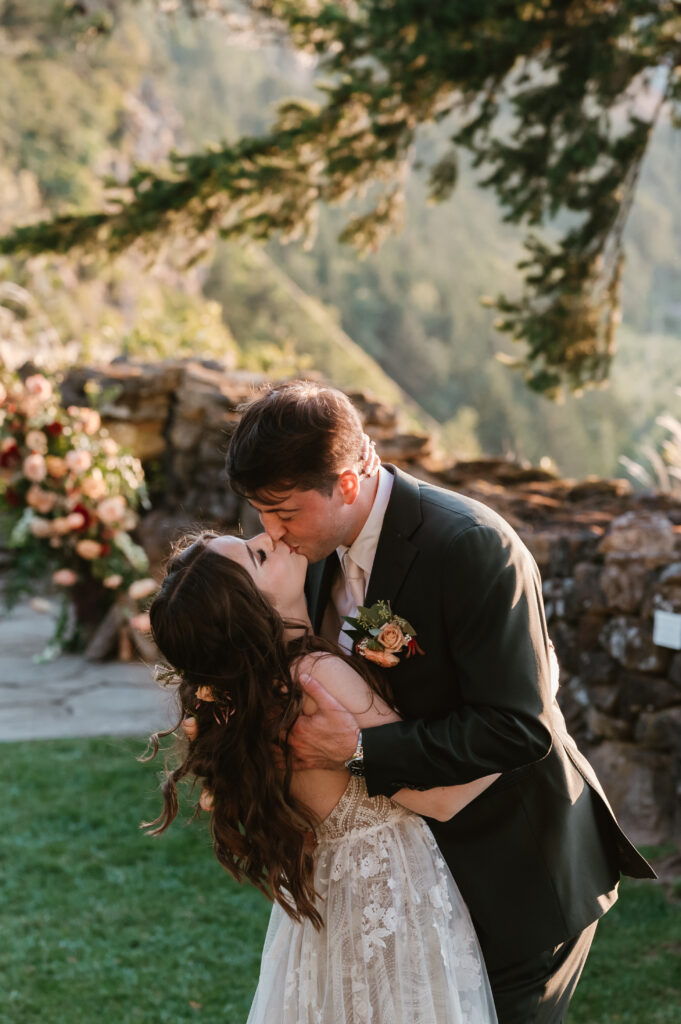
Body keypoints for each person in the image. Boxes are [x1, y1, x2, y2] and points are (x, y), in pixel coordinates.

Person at [224, 380, 656, 1024]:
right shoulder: (312, 551)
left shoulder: (473, 547)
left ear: (346, 483)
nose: (273, 532)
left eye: (285, 513)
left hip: (518, 872)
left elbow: (518, 727)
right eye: (262, 513)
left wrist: (362, 749)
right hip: (419, 883)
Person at [146, 529, 499, 1024]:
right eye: (259, 554)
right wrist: (523, 718)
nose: (269, 534)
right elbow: (441, 798)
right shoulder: (314, 676)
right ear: (256, 610)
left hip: (334, 898)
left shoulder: (249, 699)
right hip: (386, 898)